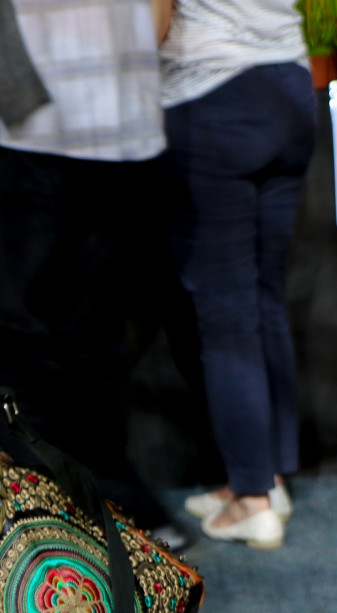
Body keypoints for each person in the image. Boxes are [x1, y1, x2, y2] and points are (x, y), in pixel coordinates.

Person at [0, 0, 187, 548]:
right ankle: (110, 508)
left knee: (27, 333)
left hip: (41, 131)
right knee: (91, 333)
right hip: (120, 125)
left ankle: (68, 512)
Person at [158, 0, 317, 548]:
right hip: (291, 84)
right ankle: (266, 481)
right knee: (262, 296)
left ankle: (252, 497)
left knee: (226, 315)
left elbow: (154, 25)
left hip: (211, 97)